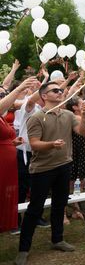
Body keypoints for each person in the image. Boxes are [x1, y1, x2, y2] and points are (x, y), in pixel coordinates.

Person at [16, 80, 85, 265]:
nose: (60, 92)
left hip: (64, 165)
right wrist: (51, 144)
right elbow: (34, 144)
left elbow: (82, 131)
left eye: (61, 90)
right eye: (55, 90)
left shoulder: (67, 114)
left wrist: (84, 115)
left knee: (59, 204)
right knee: (35, 209)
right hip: (42, 169)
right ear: (44, 96)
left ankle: (57, 239)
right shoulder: (36, 117)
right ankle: (23, 250)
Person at [0, 76, 39, 234]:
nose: (3, 97)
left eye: (4, 94)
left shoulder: (2, 118)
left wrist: (12, 142)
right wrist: (19, 88)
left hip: (7, 163)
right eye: (1, 95)